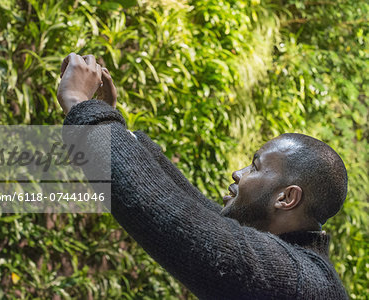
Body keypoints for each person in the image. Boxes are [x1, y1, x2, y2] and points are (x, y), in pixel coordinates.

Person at [57, 53, 349, 299]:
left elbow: (173, 218)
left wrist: (78, 103)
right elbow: (196, 211)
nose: (238, 173)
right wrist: (112, 124)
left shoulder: (297, 282)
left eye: (255, 166)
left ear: (287, 197)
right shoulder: (302, 266)